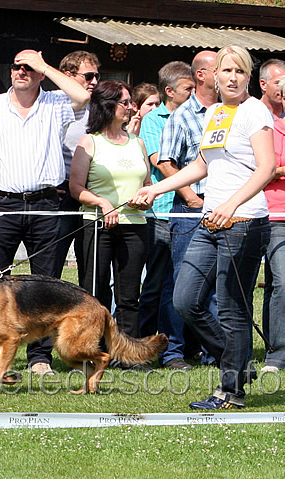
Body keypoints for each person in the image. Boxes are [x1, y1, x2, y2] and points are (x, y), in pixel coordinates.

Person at [130, 45, 275, 409]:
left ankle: (231, 391)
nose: (231, 77)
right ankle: (238, 361)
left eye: (239, 71)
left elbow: (266, 168)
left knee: (230, 307)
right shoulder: (214, 113)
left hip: (243, 221)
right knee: (185, 299)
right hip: (211, 219)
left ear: (247, 77)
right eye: (225, 71)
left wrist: (230, 204)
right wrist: (154, 188)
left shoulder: (253, 110)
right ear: (213, 76)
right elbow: (200, 166)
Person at [0, 49, 90, 376]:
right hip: (1, 203)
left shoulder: (56, 104)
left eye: (28, 68)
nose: (21, 71)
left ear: (40, 74)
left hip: (46, 203)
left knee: (45, 284)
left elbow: (82, 95)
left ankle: (39, 358)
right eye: (17, 66)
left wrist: (43, 64)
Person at [69, 80, 151, 369]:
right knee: (95, 293)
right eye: (125, 102)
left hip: (135, 225)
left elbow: (147, 186)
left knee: (129, 295)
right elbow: (75, 187)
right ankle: (94, 352)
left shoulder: (138, 143)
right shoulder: (89, 141)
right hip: (97, 225)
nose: (131, 107)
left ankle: (129, 356)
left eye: (130, 102)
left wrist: (145, 200)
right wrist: (103, 203)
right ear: (107, 106)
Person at [158, 50, 219, 368]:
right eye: (219, 69)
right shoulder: (182, 115)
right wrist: (190, 196)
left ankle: (211, 350)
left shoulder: (226, 112)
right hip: (190, 210)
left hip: (222, 208)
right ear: (201, 75)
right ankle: (173, 352)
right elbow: (165, 161)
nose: (226, 75)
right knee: (181, 281)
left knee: (215, 283)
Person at [137, 61, 194, 370]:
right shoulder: (154, 119)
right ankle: (146, 347)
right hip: (161, 212)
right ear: (169, 91)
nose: (194, 93)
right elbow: (162, 161)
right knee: (156, 284)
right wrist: (190, 194)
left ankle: (179, 348)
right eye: (188, 89)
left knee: (180, 284)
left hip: (185, 214)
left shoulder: (197, 115)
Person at [53, 51, 100, 278]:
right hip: (59, 190)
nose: (94, 82)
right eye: (88, 76)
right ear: (68, 75)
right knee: (53, 261)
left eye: (96, 76)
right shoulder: (50, 102)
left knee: (90, 264)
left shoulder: (98, 108)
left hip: (90, 189)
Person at [261, 76, 285, 373]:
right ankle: (277, 353)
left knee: (275, 285)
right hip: (274, 214)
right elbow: (262, 169)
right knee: (281, 282)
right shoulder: (270, 128)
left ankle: (273, 345)